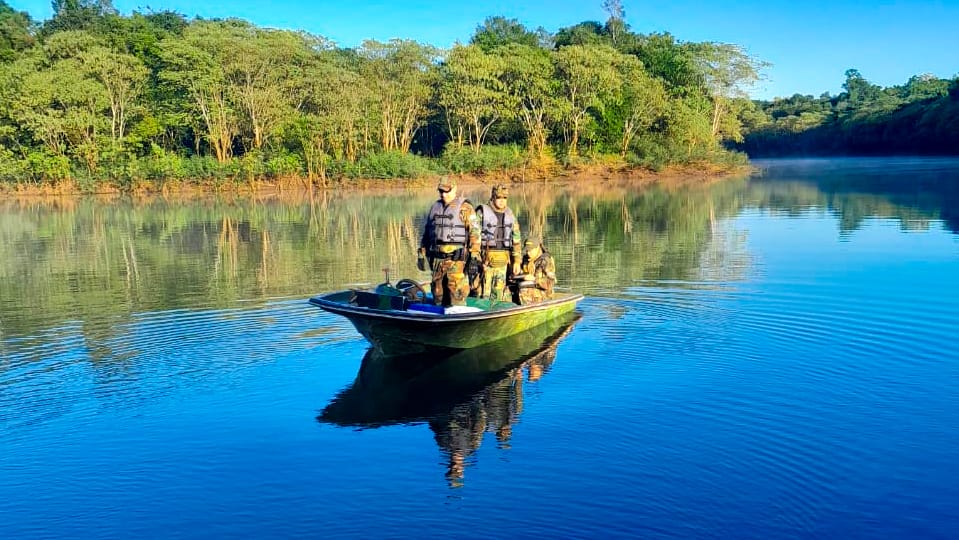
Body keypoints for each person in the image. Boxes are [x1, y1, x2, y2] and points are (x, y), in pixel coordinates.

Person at [417, 176, 481, 307]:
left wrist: (474, 257)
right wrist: (421, 253)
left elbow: (475, 233)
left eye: (447, 191)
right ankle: (438, 322)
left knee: (456, 295)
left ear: (455, 189)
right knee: (438, 295)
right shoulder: (435, 207)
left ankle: (459, 321)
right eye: (441, 191)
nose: (444, 194)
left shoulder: (465, 208)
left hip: (456, 261)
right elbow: (427, 233)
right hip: (436, 261)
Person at [473, 184, 522, 303]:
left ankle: (497, 313)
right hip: (485, 260)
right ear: (493, 197)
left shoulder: (510, 214)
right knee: (482, 293)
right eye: (499, 197)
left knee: (498, 293)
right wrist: (476, 258)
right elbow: (473, 235)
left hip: (503, 260)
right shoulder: (481, 212)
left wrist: (516, 260)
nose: (502, 201)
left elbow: (516, 239)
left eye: (504, 198)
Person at [515, 236, 556, 305]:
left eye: (530, 250)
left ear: (537, 248)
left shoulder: (546, 260)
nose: (528, 253)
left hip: (544, 293)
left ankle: (526, 310)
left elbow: (550, 283)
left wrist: (534, 279)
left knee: (524, 290)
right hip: (528, 287)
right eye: (527, 250)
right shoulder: (525, 259)